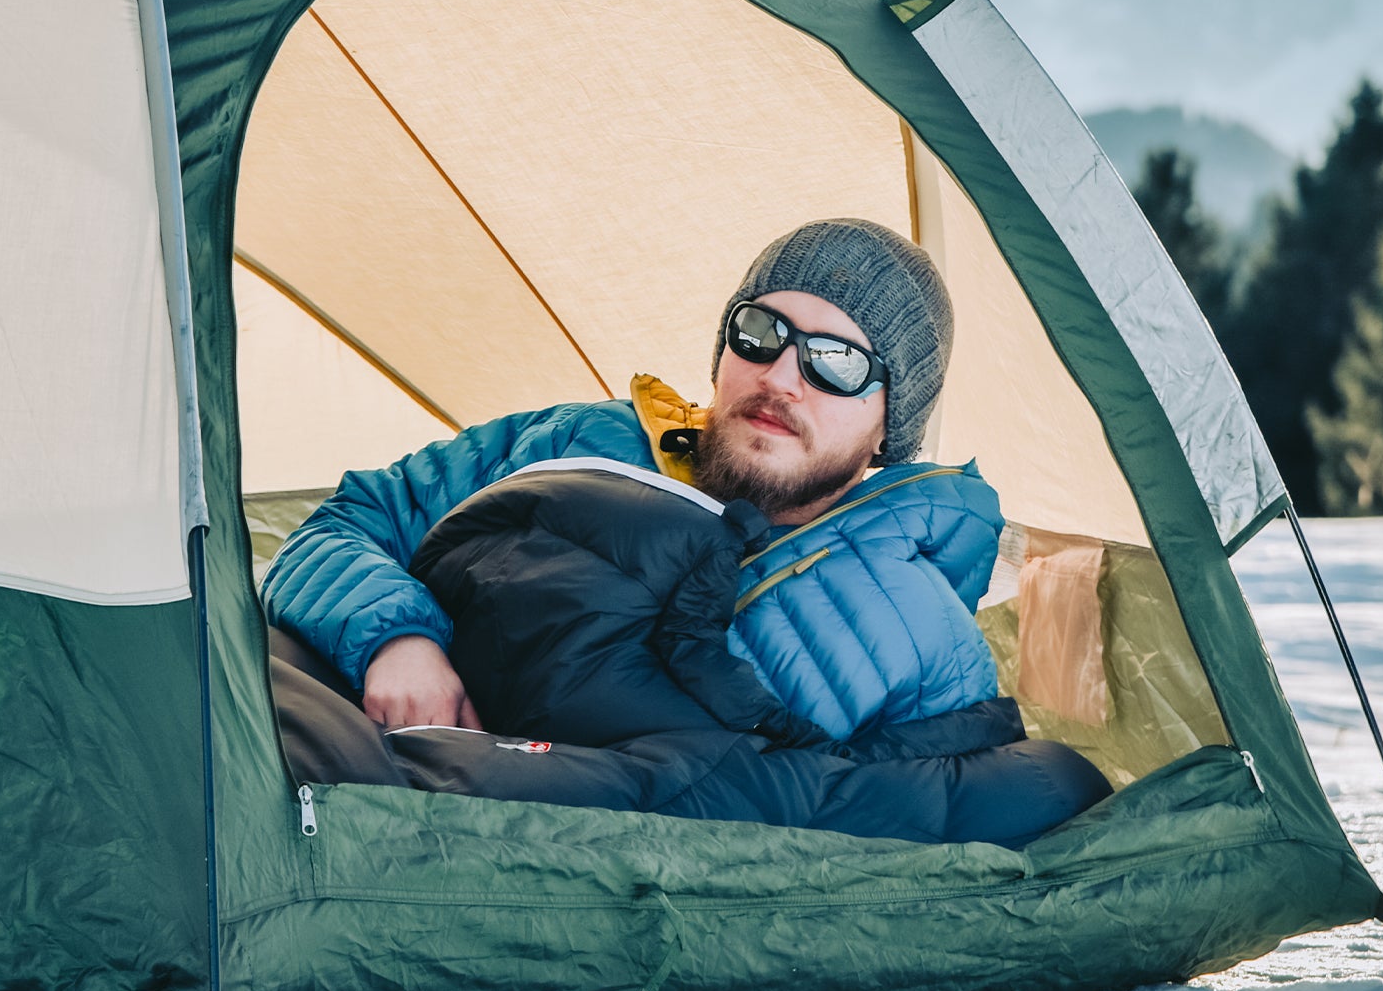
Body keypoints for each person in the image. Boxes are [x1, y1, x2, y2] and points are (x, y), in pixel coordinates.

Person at [264, 218, 1005, 746]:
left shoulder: (912, 623)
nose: (781, 376)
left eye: (837, 363)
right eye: (760, 332)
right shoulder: (580, 443)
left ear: (888, 428)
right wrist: (396, 640)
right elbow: (343, 524)